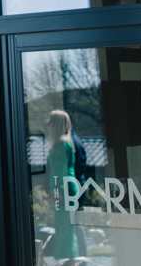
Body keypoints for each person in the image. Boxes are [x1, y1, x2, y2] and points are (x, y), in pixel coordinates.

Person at [46, 110, 79, 262]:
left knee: (64, 228)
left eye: (51, 121)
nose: (48, 124)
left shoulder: (62, 144)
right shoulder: (66, 143)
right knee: (66, 227)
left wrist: (56, 193)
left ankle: (68, 260)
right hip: (66, 188)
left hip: (63, 189)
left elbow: (60, 172)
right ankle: (68, 259)